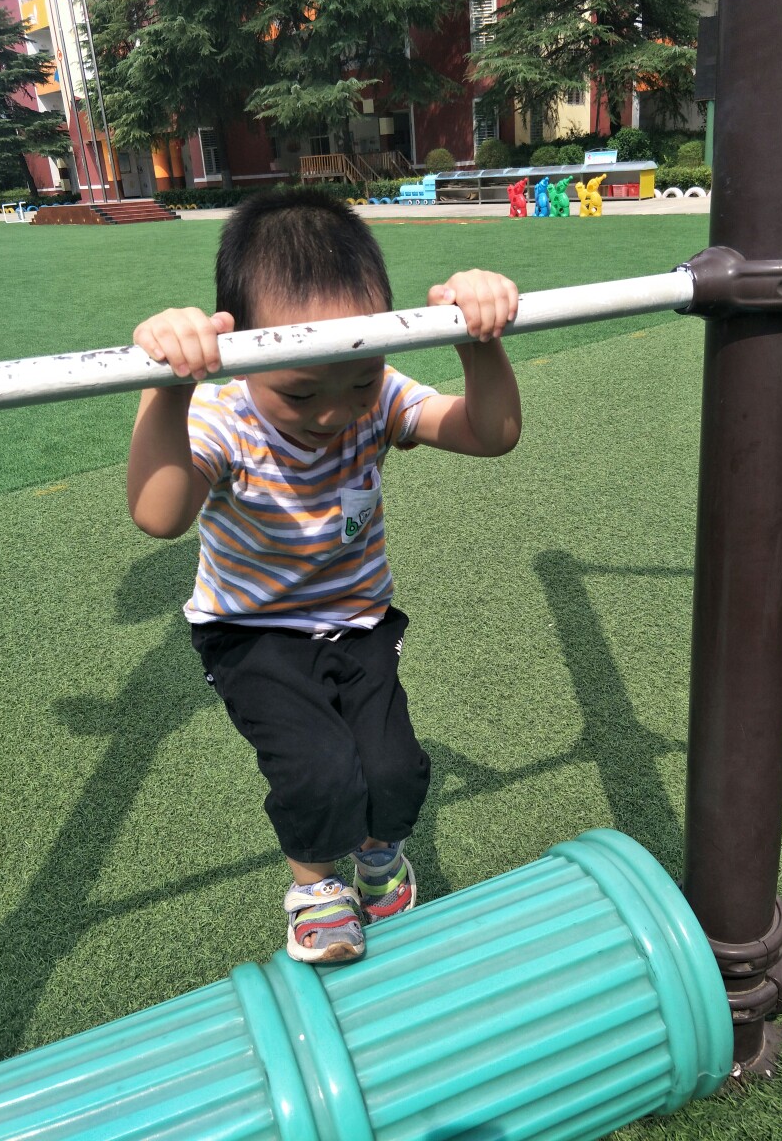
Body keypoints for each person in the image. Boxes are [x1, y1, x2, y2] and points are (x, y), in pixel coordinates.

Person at [127, 189, 521, 964]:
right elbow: (160, 514)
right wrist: (164, 390)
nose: (335, 412)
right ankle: (314, 887)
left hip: (359, 619)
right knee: (317, 770)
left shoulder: (380, 396)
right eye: (301, 392)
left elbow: (490, 433)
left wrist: (478, 339)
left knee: (395, 770)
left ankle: (378, 855)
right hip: (253, 632)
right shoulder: (224, 417)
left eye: (359, 381)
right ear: (241, 351)